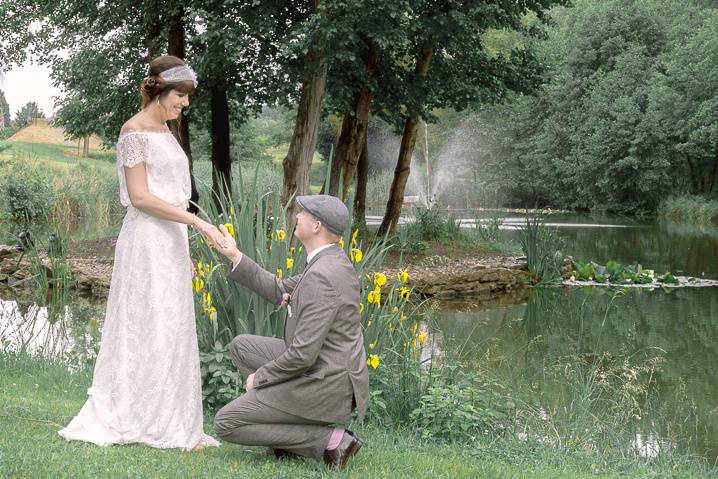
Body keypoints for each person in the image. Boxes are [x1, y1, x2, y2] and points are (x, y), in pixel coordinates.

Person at [59, 56, 222, 451]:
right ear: (160, 92)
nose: (185, 104)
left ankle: (171, 419)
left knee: (171, 322)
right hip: (147, 240)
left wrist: (184, 230)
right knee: (146, 321)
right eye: (180, 96)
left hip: (171, 240)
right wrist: (197, 221)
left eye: (186, 97)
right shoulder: (133, 132)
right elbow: (141, 197)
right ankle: (134, 416)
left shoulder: (168, 132)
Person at [212, 195, 369, 469]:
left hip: (324, 382)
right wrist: (234, 255)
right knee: (242, 347)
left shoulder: (323, 276)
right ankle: (286, 436)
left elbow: (302, 356)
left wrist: (259, 378)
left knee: (226, 422)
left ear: (317, 226)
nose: (297, 217)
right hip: (323, 366)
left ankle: (332, 440)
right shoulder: (329, 261)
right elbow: (279, 289)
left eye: (302, 213)